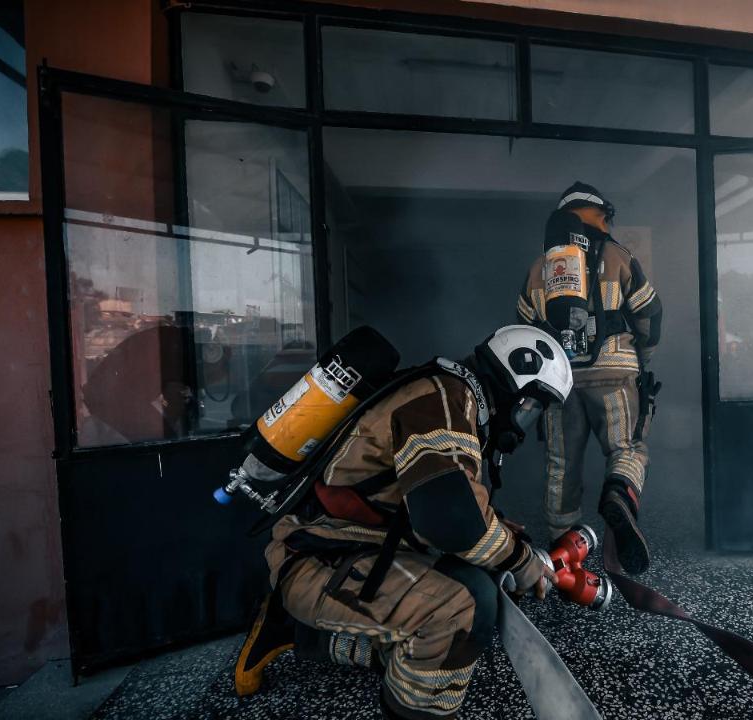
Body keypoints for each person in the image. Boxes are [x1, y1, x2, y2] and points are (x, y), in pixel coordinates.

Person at [235, 325, 572, 720]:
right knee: (461, 607)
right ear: (514, 382)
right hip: (316, 560)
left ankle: (299, 631)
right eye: (531, 409)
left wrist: (502, 537)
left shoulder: (447, 393)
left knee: (480, 574)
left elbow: (440, 500)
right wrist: (521, 561)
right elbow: (453, 522)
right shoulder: (442, 402)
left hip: (341, 547)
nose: (524, 425)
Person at [516, 182, 663, 575]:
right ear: (596, 214)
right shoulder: (618, 255)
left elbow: (524, 328)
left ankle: (564, 559)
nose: (610, 223)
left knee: (561, 465)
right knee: (627, 448)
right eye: (607, 216)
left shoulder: (539, 266)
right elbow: (650, 314)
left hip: (559, 381)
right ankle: (618, 493)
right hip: (615, 374)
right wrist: (642, 359)